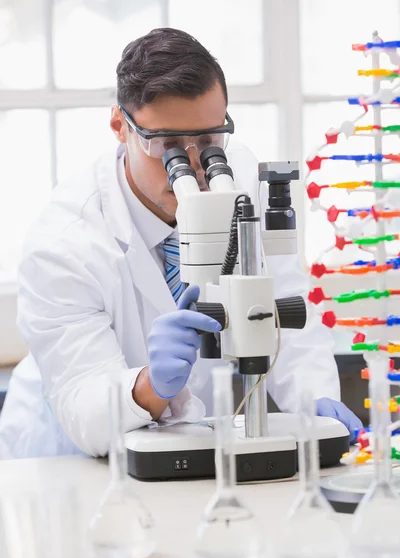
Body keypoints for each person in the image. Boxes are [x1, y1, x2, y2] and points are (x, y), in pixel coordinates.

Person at [0, 28, 362, 459]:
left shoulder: (238, 178)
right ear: (120, 126)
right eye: (168, 145)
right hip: (67, 460)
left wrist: (314, 403)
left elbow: (281, 304)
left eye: (209, 141)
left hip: (192, 444)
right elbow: (84, 403)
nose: (194, 166)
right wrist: (151, 384)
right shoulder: (63, 243)